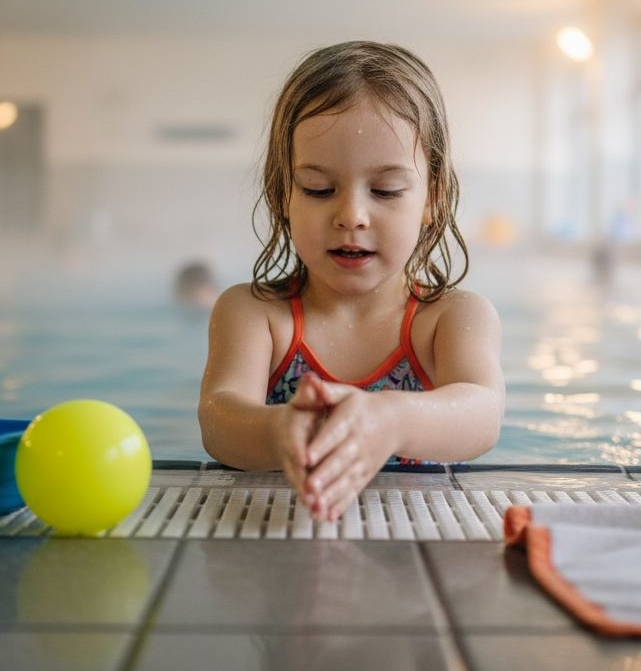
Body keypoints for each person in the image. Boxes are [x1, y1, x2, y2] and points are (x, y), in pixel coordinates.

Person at [198, 41, 505, 523]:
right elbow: (219, 419)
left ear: (433, 196)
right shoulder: (256, 314)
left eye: (385, 190)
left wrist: (392, 419)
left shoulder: (450, 318)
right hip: (281, 538)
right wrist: (281, 431)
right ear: (283, 193)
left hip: (419, 545)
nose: (351, 216)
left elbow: (483, 415)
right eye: (318, 189)